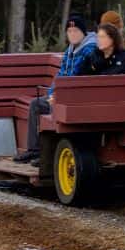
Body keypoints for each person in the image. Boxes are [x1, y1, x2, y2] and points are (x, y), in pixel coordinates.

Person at [14, 15, 98, 164]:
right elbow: (60, 75)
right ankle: (34, 151)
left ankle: (49, 157)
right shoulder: (70, 50)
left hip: (75, 99)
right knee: (36, 104)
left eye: (76, 31)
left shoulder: (88, 50)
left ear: (83, 33)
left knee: (54, 110)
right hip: (61, 95)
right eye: (69, 31)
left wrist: (57, 97)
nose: (72, 34)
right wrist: (52, 93)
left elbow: (74, 77)